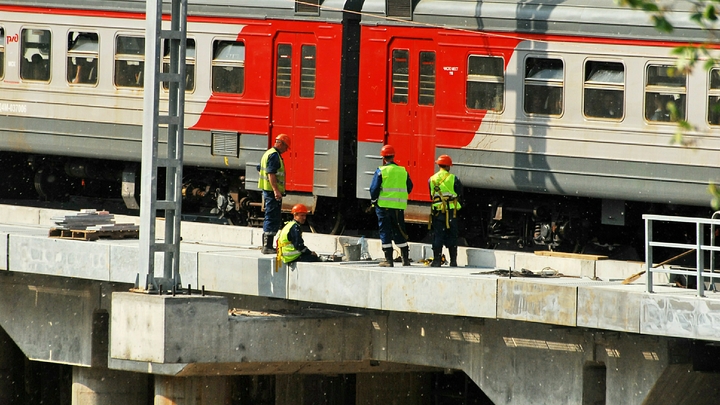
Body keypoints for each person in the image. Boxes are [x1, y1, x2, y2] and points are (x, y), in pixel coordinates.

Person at [369, 144, 413, 267]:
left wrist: (374, 201)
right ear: (393, 156)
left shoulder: (381, 171)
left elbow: (373, 189)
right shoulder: (403, 171)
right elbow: (409, 187)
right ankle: (405, 259)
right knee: (399, 230)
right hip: (398, 207)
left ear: (383, 158)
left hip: (383, 207)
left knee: (385, 231)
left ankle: (389, 260)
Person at [258, 133, 291, 254]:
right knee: (272, 217)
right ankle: (267, 246)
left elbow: (259, 168)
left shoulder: (268, 153)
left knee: (271, 216)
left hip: (268, 191)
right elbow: (271, 173)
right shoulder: (274, 156)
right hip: (272, 193)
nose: (286, 150)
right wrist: (276, 190)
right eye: (286, 147)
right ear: (281, 144)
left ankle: (268, 245)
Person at [428, 155, 463, 267]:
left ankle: (437, 260)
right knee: (452, 235)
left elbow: (431, 195)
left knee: (438, 235)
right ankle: (453, 261)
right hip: (451, 212)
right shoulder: (454, 178)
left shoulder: (431, 179)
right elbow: (459, 193)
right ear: (448, 166)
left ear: (438, 165)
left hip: (438, 212)